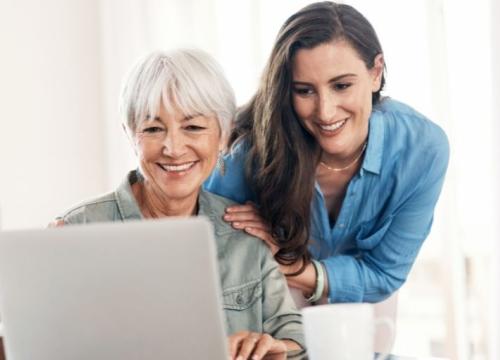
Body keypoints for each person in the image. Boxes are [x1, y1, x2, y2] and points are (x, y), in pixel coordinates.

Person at [54, 49, 303, 360]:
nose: (173, 148)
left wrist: (274, 348)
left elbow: (297, 339)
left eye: (193, 127)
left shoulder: (245, 236)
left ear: (223, 135)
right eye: (154, 129)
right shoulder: (78, 231)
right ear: (131, 135)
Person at [205, 1, 449, 304]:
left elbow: (384, 274)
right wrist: (248, 245)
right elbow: (206, 258)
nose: (325, 111)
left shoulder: (422, 150)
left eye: (342, 85)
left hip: (363, 310)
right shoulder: (248, 152)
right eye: (304, 90)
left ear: (376, 72)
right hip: (271, 304)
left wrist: (290, 264)